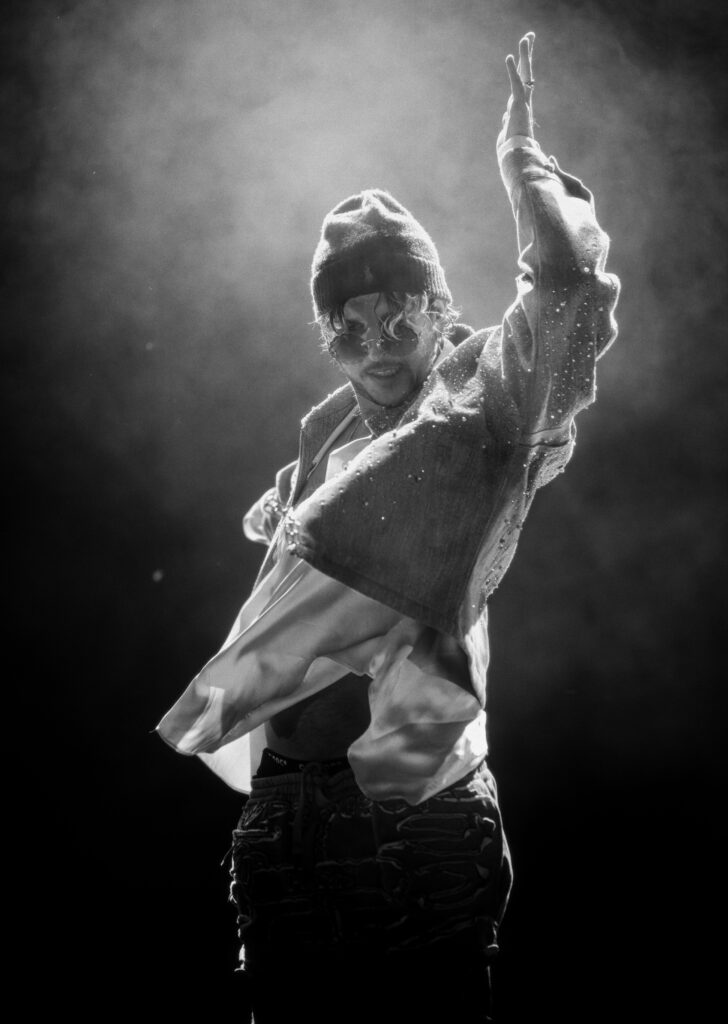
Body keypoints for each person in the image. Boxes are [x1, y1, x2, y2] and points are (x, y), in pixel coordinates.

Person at [157, 32, 619, 1024]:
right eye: (349, 326)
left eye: (399, 320)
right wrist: (283, 518)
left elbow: (567, 301)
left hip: (416, 821)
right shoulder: (324, 435)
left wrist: (523, 168)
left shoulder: (487, 409)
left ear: (439, 311)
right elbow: (331, 555)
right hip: (286, 817)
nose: (376, 346)